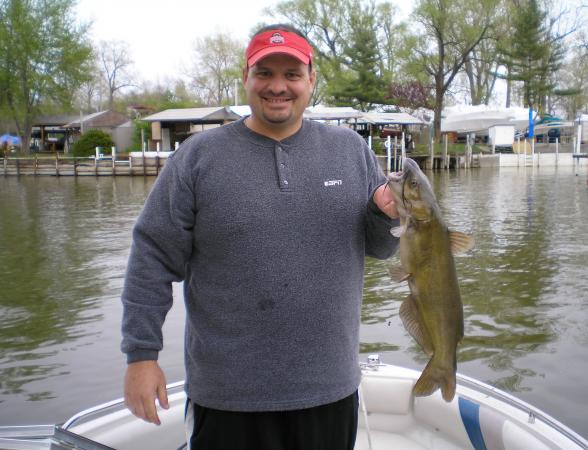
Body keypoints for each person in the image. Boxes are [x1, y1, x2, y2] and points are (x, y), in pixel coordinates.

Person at [121, 24, 399, 450]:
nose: (278, 86)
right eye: (264, 72)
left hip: (328, 387)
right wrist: (141, 355)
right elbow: (151, 257)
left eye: (292, 73)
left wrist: (386, 216)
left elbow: (382, 248)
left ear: (311, 80)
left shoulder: (351, 150)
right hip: (227, 395)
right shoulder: (197, 157)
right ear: (246, 77)